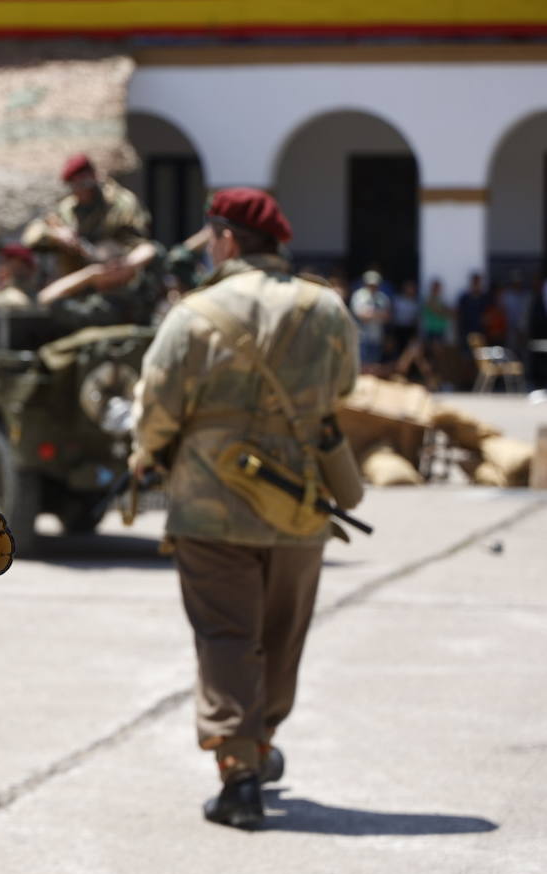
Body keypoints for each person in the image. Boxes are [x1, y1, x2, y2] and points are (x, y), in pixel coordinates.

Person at [131, 189, 359, 830]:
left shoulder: (195, 313)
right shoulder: (327, 308)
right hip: (301, 506)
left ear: (226, 240)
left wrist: (146, 455)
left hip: (211, 505)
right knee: (282, 636)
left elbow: (157, 409)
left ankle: (240, 772)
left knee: (227, 636)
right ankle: (259, 741)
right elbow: (343, 389)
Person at [21, 152, 162, 327]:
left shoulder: (120, 204)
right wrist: (58, 235)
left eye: (83, 183)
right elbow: (31, 235)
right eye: (74, 186)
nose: (80, 191)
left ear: (93, 177)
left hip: (117, 285)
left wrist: (121, 266)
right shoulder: (67, 209)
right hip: (79, 284)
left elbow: (143, 246)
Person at [349, 270, 390, 368]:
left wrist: (371, 314)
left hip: (377, 335)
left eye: (375, 284)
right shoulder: (359, 296)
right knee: (362, 363)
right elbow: (361, 315)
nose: (373, 287)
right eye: (370, 284)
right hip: (362, 335)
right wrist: (377, 314)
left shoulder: (382, 298)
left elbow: (388, 316)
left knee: (375, 363)